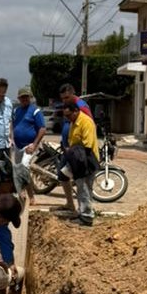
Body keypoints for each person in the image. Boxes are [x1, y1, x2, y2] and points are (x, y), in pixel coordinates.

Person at [62, 99, 100, 227]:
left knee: (84, 188)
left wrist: (71, 151)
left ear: (76, 111)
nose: (67, 118)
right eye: (65, 116)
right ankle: (83, 212)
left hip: (86, 159)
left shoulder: (86, 122)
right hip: (78, 158)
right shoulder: (74, 121)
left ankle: (87, 217)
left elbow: (87, 146)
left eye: (69, 115)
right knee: (81, 188)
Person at [56, 83, 93, 215]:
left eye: (66, 97)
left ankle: (85, 212)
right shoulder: (67, 108)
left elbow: (88, 128)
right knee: (62, 174)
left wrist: (79, 151)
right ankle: (71, 204)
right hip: (69, 149)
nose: (64, 101)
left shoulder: (82, 107)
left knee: (82, 183)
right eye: (62, 98)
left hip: (79, 153)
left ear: (73, 93)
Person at [12, 86, 46, 205]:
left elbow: (42, 128)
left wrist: (35, 144)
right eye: (22, 97)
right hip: (17, 146)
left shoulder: (35, 111)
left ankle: (30, 196)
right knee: (17, 170)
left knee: (24, 167)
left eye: (26, 97)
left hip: (30, 145)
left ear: (30, 97)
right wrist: (11, 138)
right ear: (19, 99)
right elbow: (13, 124)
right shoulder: (16, 111)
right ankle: (22, 194)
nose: (24, 99)